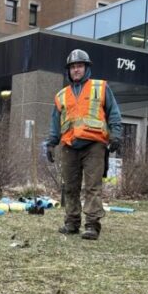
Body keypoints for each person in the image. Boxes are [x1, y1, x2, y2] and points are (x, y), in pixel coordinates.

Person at [45, 49, 122, 241]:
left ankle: (92, 225)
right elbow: (55, 121)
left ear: (86, 68)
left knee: (92, 187)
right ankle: (71, 222)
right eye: (72, 67)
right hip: (69, 145)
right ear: (68, 71)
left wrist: (116, 135)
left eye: (79, 66)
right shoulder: (62, 95)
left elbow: (113, 112)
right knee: (70, 186)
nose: (76, 70)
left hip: (94, 145)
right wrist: (51, 143)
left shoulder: (101, 87)